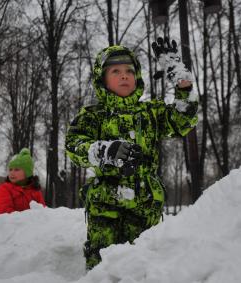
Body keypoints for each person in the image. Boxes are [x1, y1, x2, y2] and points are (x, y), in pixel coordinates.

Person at [65, 38, 199, 269]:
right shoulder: (93, 115)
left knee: (144, 265)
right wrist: (103, 150)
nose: (124, 75)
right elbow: (74, 146)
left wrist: (182, 84)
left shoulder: (151, 113)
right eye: (115, 71)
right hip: (105, 205)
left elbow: (181, 121)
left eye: (129, 70)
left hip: (146, 205)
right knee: (103, 267)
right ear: (102, 78)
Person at [0, 148, 46, 215]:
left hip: (34, 225)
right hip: (12, 224)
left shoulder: (35, 191)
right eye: (10, 169)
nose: (12, 173)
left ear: (27, 173)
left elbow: (43, 213)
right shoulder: (5, 189)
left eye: (16, 170)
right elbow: (5, 212)